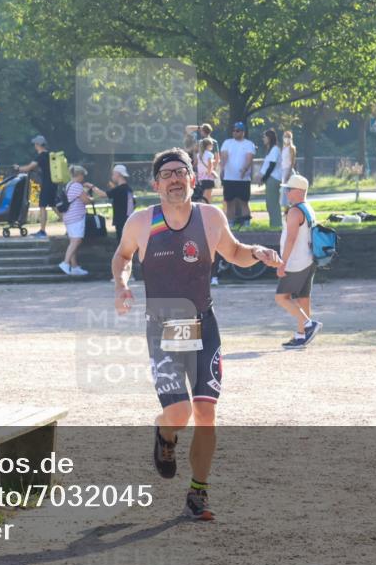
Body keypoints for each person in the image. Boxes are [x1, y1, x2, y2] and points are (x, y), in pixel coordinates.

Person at [112, 147, 282, 521]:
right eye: (167, 174)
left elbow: (235, 252)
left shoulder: (209, 217)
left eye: (181, 172)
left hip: (204, 324)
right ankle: (164, 431)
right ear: (156, 185)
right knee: (179, 412)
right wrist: (122, 285)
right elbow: (123, 256)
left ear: (193, 178)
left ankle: (198, 493)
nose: (175, 179)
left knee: (206, 412)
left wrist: (257, 251)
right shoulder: (142, 223)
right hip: (164, 328)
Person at [274, 174, 324, 350]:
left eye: (289, 189)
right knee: (303, 298)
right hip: (309, 259)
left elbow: (291, 239)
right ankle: (301, 335)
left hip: (296, 262)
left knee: (281, 297)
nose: (286, 192)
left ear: (298, 191)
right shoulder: (308, 208)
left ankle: (308, 325)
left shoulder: (295, 211)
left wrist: (283, 263)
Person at [15, 135, 56, 237]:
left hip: (47, 184)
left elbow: (29, 167)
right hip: (53, 183)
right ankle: (69, 227)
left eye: (35, 144)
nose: (34, 146)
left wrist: (18, 168)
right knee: (54, 205)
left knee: (42, 206)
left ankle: (42, 231)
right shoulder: (50, 155)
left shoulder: (41, 156)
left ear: (38, 145)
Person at [219, 121, 256, 228]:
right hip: (229, 178)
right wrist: (222, 168)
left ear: (243, 132)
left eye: (238, 130)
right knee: (229, 202)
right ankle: (230, 223)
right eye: (234, 130)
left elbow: (249, 158)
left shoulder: (249, 144)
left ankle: (246, 223)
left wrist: (245, 169)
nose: (235, 132)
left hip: (243, 179)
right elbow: (224, 156)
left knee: (244, 202)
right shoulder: (227, 142)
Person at [88, 164, 136, 242]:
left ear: (118, 174)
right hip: (128, 219)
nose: (112, 176)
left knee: (122, 242)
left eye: (113, 174)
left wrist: (91, 186)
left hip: (121, 220)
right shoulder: (128, 189)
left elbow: (103, 194)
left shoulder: (119, 189)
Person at [59, 165, 92, 276]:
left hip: (68, 216)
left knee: (73, 241)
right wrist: (92, 199)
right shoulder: (77, 186)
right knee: (76, 241)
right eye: (83, 175)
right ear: (79, 175)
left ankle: (74, 267)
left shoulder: (69, 185)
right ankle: (65, 262)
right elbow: (85, 200)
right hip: (76, 217)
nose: (83, 178)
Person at [259, 129, 282, 229]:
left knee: (272, 203)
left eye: (264, 137)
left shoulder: (275, 149)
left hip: (273, 178)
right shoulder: (271, 150)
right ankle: (274, 224)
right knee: (270, 203)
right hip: (270, 178)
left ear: (269, 138)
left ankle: (276, 224)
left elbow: (271, 166)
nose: (263, 139)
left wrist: (263, 178)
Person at [192, 138, 218, 204]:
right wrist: (210, 173)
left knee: (202, 195)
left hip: (200, 177)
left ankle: (201, 206)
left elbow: (195, 164)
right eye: (211, 144)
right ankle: (207, 208)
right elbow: (210, 164)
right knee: (208, 196)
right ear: (207, 145)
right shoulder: (209, 154)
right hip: (208, 177)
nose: (212, 146)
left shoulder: (198, 155)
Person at [278, 130, 297, 208]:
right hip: (283, 170)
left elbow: (292, 162)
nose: (287, 138)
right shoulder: (283, 148)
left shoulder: (291, 148)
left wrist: (288, 173)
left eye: (288, 137)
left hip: (288, 170)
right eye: (285, 136)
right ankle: (286, 209)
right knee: (284, 191)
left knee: (286, 190)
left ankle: (290, 207)